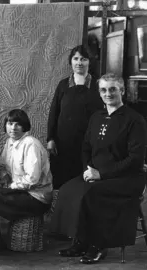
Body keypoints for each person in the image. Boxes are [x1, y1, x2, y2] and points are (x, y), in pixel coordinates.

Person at [50, 73, 147, 264]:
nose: (108, 93)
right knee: (69, 189)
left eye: (113, 89)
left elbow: (135, 160)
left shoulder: (135, 120)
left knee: (92, 194)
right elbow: (86, 147)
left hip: (127, 178)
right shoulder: (97, 117)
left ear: (122, 91)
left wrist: (101, 174)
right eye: (103, 90)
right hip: (97, 173)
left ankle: (97, 246)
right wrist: (89, 169)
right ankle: (80, 241)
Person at [0, 109, 53, 252]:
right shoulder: (10, 142)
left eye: (18, 124)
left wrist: (11, 186)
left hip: (36, 198)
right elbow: (4, 166)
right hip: (22, 192)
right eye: (10, 123)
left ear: (25, 126)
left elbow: (32, 179)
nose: (13, 128)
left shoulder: (30, 144)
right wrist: (6, 179)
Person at [47, 45, 104, 189]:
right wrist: (50, 139)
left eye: (83, 59)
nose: (79, 62)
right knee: (61, 179)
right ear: (71, 62)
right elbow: (54, 112)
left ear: (89, 62)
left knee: (83, 181)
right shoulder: (63, 85)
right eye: (76, 58)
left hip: (87, 143)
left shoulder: (97, 85)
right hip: (63, 142)